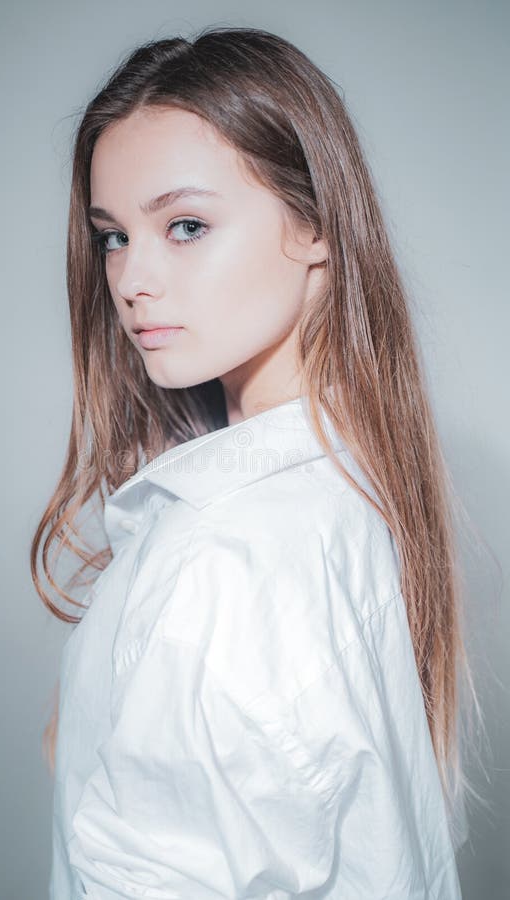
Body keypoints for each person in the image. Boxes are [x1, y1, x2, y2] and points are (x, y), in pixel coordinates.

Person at [31, 25, 481, 899]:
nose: (130, 280)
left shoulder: (225, 557)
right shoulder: (351, 486)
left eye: (186, 225)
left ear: (314, 225)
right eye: (114, 235)